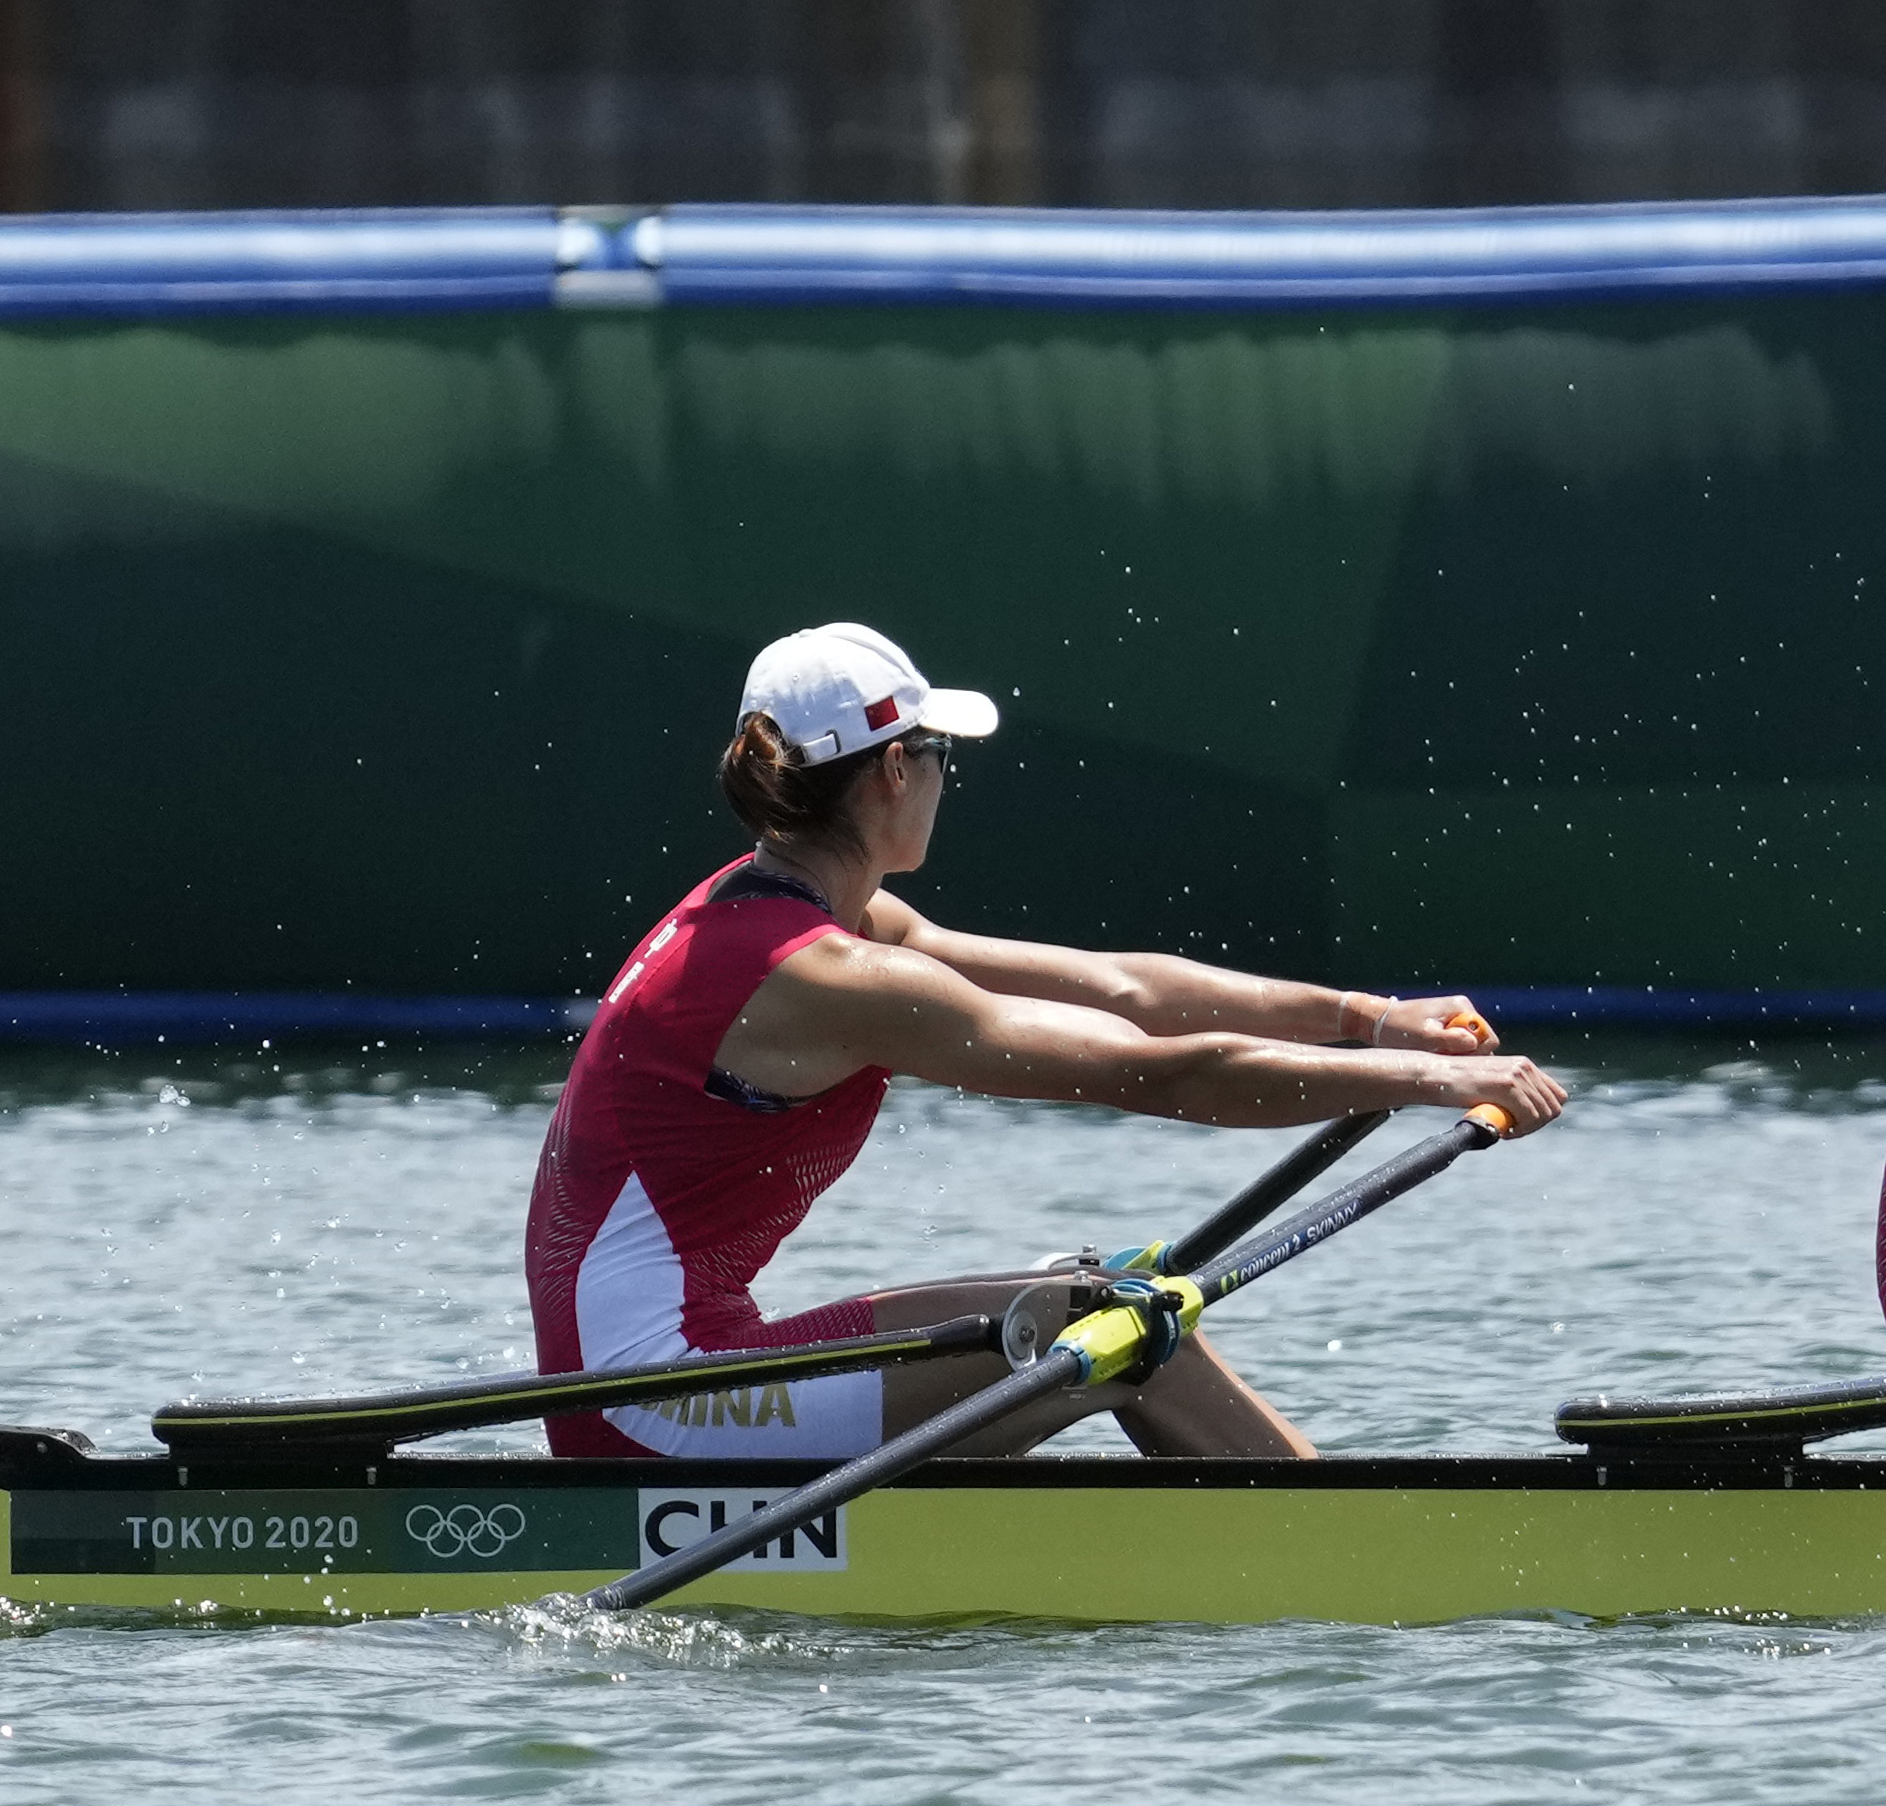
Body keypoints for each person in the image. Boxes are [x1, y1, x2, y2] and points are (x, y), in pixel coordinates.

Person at [522, 623, 1565, 1467]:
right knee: (1115, 1325)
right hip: (653, 1403)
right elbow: (1152, 1072)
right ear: (893, 769)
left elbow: (1123, 987)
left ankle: (1294, 1531)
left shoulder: (807, 920)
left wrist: (1367, 1017)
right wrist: (1430, 1078)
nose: (943, 780)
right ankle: (1357, 1558)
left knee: (1097, 1295)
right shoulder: (822, 977)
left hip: (680, 1373)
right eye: (939, 757)